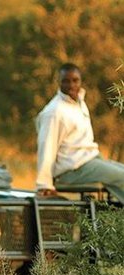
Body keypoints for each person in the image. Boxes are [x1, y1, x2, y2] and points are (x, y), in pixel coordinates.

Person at [36, 63, 124, 203]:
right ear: (58, 82)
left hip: (89, 161)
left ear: (80, 81)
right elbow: (46, 148)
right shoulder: (54, 112)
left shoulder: (79, 102)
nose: (71, 85)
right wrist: (44, 185)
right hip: (71, 170)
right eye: (66, 81)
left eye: (75, 80)